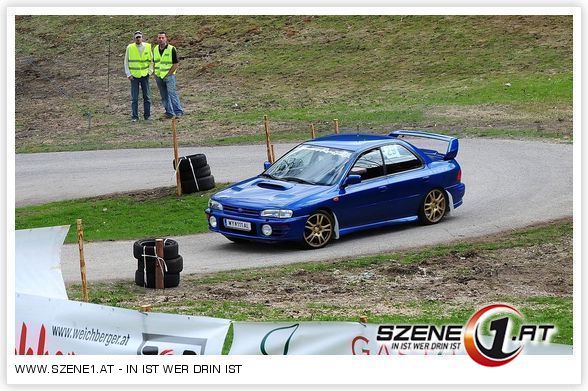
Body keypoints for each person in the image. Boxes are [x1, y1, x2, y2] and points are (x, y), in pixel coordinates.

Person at [153, 31, 184, 119]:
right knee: (164, 95)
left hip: (169, 76)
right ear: (157, 39)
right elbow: (155, 62)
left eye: (163, 38)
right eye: (159, 38)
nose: (161, 39)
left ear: (166, 39)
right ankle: (169, 112)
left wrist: (169, 73)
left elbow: (176, 64)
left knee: (172, 93)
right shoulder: (155, 49)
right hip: (159, 76)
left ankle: (178, 111)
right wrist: (155, 73)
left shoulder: (171, 49)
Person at [124, 31, 152, 122]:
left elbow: (151, 60)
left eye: (139, 37)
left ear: (142, 38)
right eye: (137, 37)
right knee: (134, 98)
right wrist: (128, 74)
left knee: (147, 97)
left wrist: (150, 72)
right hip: (134, 76)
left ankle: (147, 116)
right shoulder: (130, 47)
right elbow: (126, 62)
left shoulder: (148, 46)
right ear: (134, 38)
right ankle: (134, 116)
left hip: (144, 75)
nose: (138, 39)